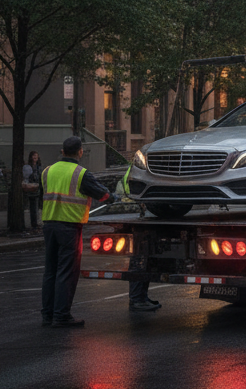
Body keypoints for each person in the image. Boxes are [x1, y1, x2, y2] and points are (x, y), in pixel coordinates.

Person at [40, 136, 114, 328]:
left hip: (49, 225)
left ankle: (47, 314)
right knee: (66, 271)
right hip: (69, 227)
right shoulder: (81, 174)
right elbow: (103, 194)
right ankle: (62, 315)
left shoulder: (47, 171)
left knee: (50, 271)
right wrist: (113, 197)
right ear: (80, 152)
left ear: (62, 151)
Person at [117, 165, 160, 313]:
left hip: (138, 216)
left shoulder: (135, 171)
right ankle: (137, 298)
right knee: (139, 259)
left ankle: (141, 297)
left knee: (143, 259)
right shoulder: (139, 173)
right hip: (138, 216)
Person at [22, 151, 43, 232]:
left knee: (36, 207)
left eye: (36, 156)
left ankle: (35, 222)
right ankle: (33, 223)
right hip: (31, 188)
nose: (35, 157)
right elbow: (27, 177)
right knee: (32, 206)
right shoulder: (29, 167)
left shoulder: (38, 167)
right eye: (34, 156)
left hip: (37, 188)